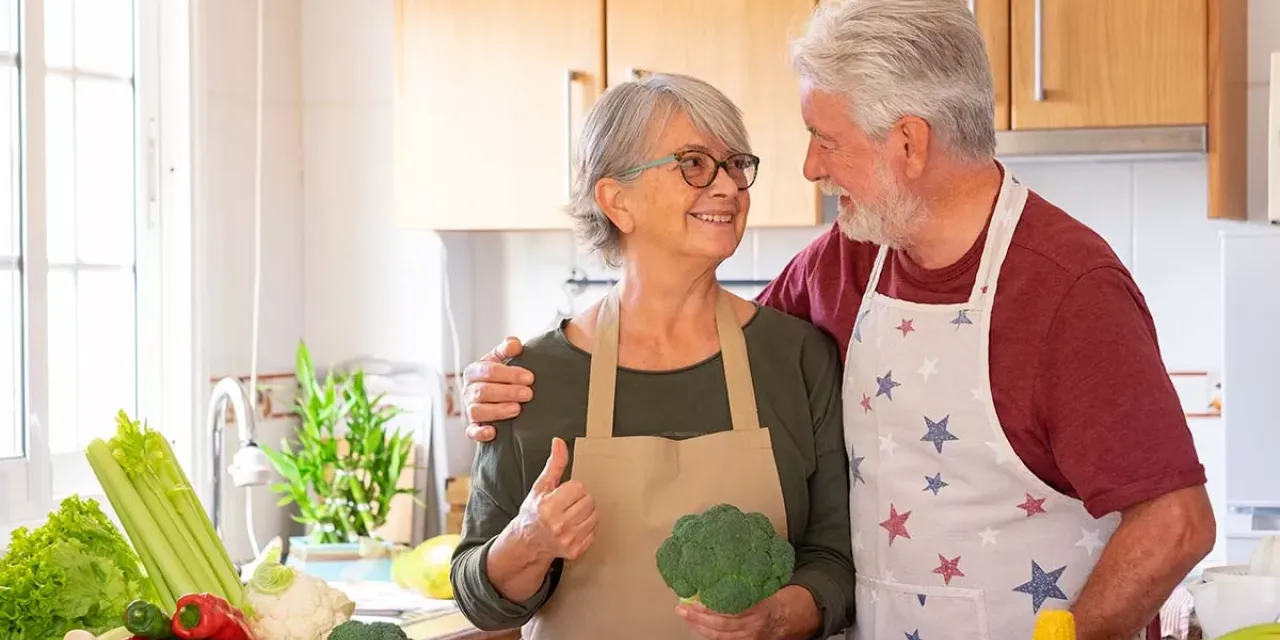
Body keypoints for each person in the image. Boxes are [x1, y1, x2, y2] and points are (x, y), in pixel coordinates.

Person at [459, 1, 1218, 639]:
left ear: (910, 145)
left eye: (826, 140)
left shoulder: (1067, 289)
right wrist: (502, 381)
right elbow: (697, 343)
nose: (810, 169)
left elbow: (1177, 524)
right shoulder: (843, 265)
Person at [448, 72, 856, 640]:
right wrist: (529, 543)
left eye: (736, 163)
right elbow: (479, 600)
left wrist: (779, 615)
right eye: (693, 163)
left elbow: (835, 561)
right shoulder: (528, 380)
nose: (728, 187)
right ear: (617, 200)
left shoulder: (796, 357)